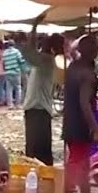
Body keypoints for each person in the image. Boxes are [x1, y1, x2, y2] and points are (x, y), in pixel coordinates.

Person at [62, 34, 98, 193]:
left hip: (70, 121)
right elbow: (84, 102)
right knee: (76, 163)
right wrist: (96, 130)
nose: (96, 49)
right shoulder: (87, 74)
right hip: (80, 125)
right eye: (93, 46)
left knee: (82, 163)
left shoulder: (74, 67)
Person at [22, 33, 65, 166]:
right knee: (43, 148)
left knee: (35, 151)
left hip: (37, 108)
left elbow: (28, 52)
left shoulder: (45, 60)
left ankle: (39, 179)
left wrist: (34, 27)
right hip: (40, 109)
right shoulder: (51, 61)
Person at [0, 39, 26, 107]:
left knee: (9, 89)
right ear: (14, 44)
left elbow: (3, 63)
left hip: (8, 72)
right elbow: (21, 61)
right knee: (18, 88)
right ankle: (18, 104)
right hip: (16, 72)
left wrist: (6, 70)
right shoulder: (16, 52)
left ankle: (10, 104)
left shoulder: (5, 53)